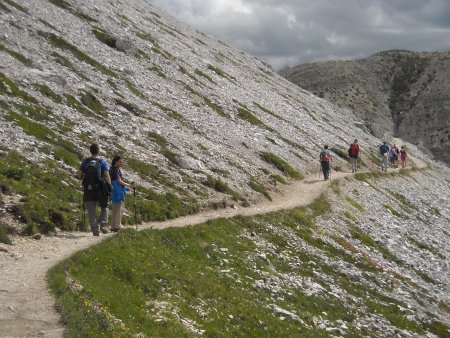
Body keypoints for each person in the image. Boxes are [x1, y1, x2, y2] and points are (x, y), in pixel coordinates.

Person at [76, 143, 111, 236]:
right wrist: (109, 188)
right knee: (105, 206)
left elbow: (79, 175)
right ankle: (102, 224)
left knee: (91, 209)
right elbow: (107, 176)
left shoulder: (85, 161)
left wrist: (78, 176)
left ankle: (95, 229)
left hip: (88, 189)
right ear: (98, 150)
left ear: (90, 151)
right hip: (100, 189)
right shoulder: (102, 162)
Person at [110, 155, 135, 232]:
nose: (121, 163)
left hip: (113, 192)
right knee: (119, 209)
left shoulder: (111, 169)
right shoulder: (116, 170)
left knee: (114, 208)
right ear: (116, 161)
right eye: (120, 162)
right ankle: (117, 226)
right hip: (119, 192)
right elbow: (119, 181)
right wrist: (129, 185)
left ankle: (113, 226)